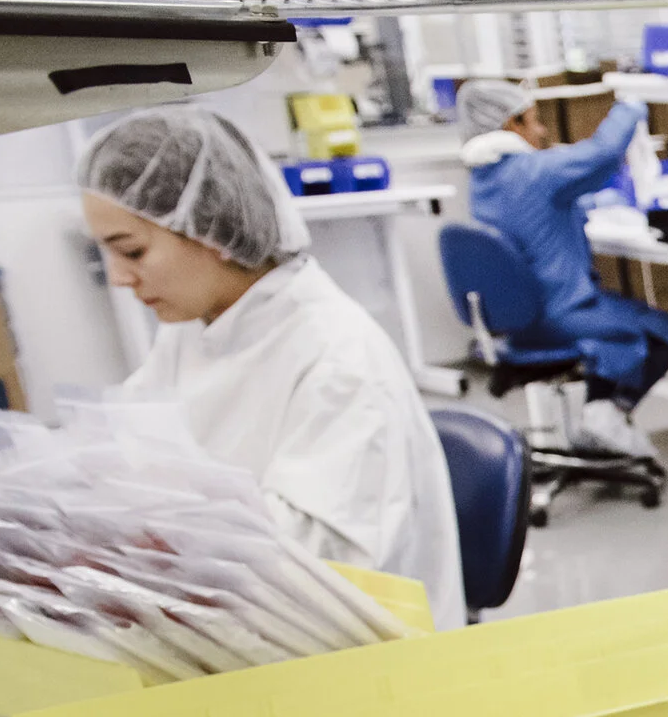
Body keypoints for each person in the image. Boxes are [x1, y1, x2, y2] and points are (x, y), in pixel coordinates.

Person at [81, 106, 466, 631]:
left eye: (132, 251)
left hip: (352, 658)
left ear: (209, 228)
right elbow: (125, 456)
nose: (119, 278)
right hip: (232, 625)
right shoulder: (194, 333)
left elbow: (319, 574)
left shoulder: (336, 359)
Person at [455, 79, 668, 459]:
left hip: (519, 323)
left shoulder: (484, 179)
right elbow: (602, 154)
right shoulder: (532, 170)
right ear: (511, 124)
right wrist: (631, 104)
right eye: (534, 122)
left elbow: (535, 213)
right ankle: (606, 413)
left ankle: (598, 419)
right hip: (564, 315)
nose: (542, 131)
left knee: (630, 317)